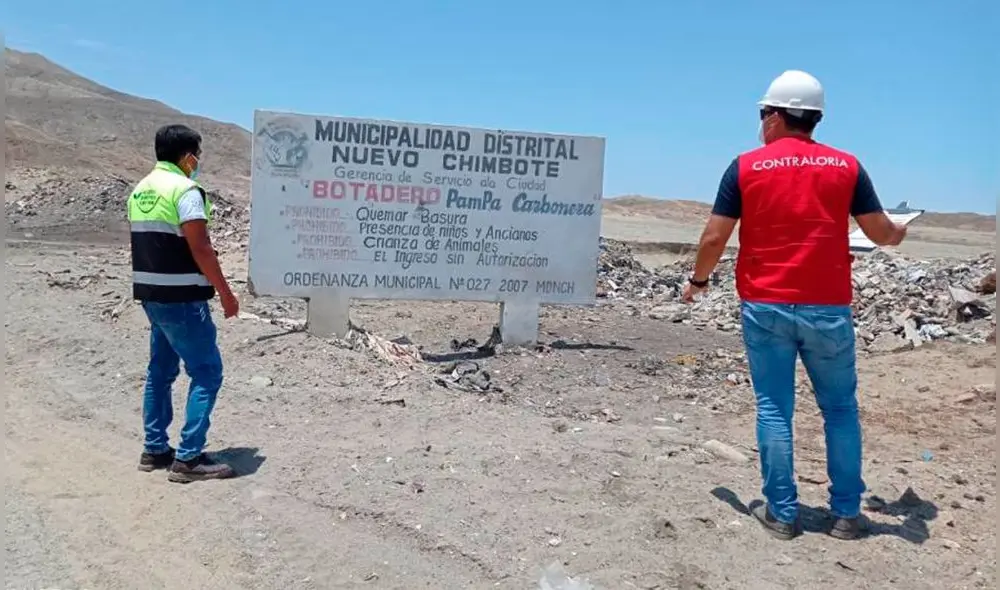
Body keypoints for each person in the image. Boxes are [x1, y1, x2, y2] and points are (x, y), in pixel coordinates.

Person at [682, 70, 907, 540]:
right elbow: (881, 233)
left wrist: (698, 282)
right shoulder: (847, 167)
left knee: (774, 408)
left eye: (763, 113)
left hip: (766, 305)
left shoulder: (745, 167)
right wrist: (900, 231)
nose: (761, 122)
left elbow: (713, 238)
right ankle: (846, 514)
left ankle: (782, 513)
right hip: (828, 307)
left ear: (775, 116)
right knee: (840, 409)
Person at [128, 123, 241, 483]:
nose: (198, 161)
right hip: (183, 298)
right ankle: (189, 459)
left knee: (160, 372)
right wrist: (226, 293)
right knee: (207, 372)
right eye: (197, 154)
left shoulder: (141, 190)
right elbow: (201, 247)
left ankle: (155, 449)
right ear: (187, 156)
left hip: (152, 295)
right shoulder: (186, 190)